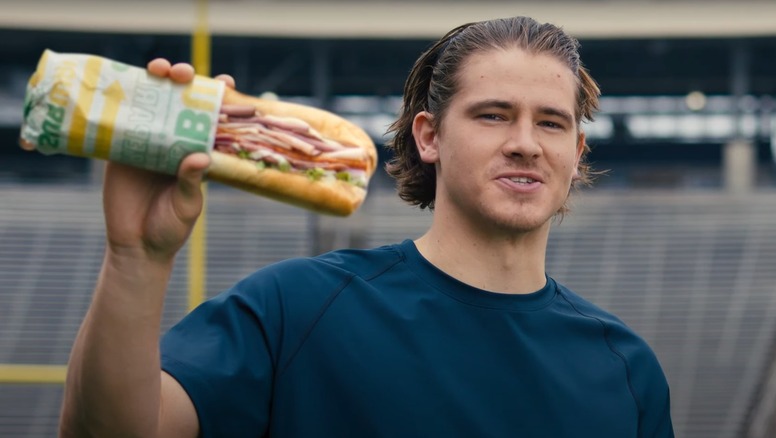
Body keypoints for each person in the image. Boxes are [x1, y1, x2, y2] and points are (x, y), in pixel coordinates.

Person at [59, 16, 674, 438]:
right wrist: (135, 257)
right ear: (429, 136)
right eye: (493, 115)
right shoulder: (297, 309)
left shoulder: (627, 368)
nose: (524, 144)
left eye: (550, 123)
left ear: (577, 150)